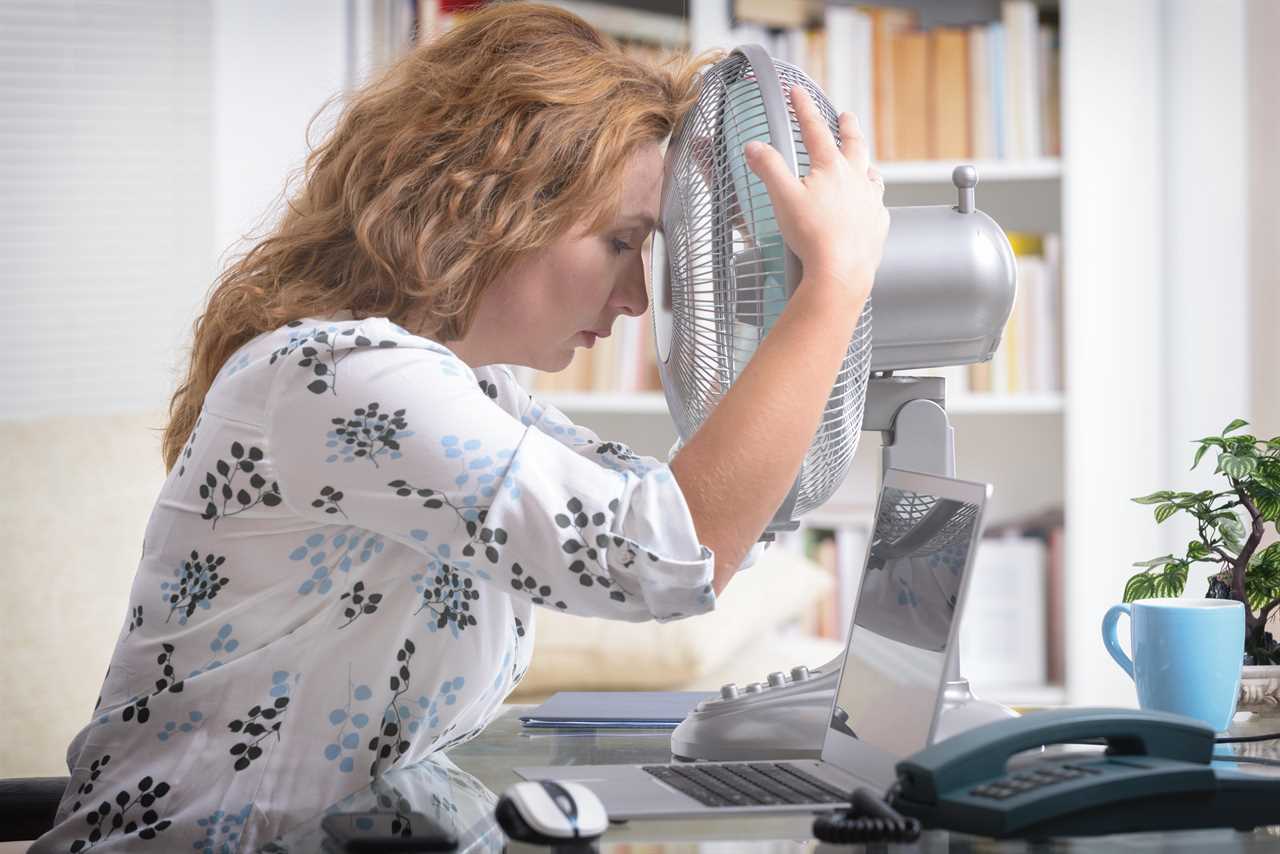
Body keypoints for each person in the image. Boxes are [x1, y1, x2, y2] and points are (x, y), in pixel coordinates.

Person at [33, 3, 887, 851]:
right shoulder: (339, 377)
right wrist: (830, 290)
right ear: (496, 200)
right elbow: (663, 550)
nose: (635, 299)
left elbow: (679, 514)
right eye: (623, 242)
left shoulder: (475, 391)